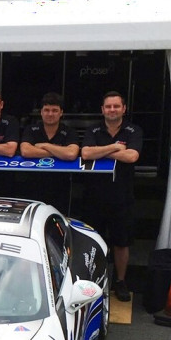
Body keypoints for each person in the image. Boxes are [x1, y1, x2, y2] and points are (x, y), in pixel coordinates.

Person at [80, 91, 142, 302]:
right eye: (108, 106)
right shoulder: (93, 129)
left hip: (122, 196)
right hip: (94, 196)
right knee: (92, 240)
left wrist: (101, 151)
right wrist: (115, 147)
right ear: (102, 109)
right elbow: (86, 153)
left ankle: (120, 281)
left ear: (124, 109)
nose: (112, 110)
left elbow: (132, 156)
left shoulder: (134, 130)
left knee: (121, 243)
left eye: (116, 106)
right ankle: (92, 279)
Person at [20, 92, 79, 209]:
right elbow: (25, 151)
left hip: (60, 186)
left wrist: (45, 145)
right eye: (46, 110)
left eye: (54, 110)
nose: (50, 114)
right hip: (33, 185)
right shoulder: (30, 129)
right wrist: (59, 152)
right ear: (41, 112)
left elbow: (71, 154)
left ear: (61, 112)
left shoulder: (69, 131)